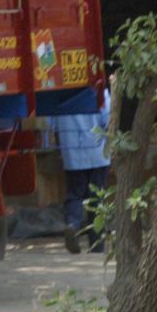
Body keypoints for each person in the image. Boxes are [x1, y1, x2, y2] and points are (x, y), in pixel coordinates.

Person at [53, 88, 111, 254]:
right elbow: (108, 121)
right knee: (97, 198)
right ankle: (97, 244)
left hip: (72, 153)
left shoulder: (60, 93)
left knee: (74, 194)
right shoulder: (99, 92)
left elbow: (53, 124)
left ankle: (73, 224)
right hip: (98, 153)